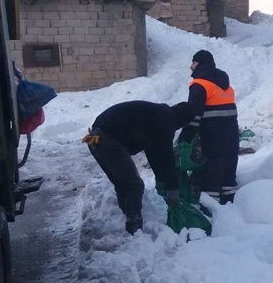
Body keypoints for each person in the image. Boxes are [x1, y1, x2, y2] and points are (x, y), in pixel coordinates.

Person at [83, 100, 195, 234]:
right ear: (183, 121)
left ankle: (125, 219)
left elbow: (154, 153)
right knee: (134, 185)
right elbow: (166, 157)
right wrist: (173, 186)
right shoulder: (166, 121)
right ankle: (134, 229)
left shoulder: (158, 116)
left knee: (122, 183)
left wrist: (162, 177)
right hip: (107, 141)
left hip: (94, 138)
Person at [179, 50, 239, 209]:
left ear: (199, 64)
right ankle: (232, 208)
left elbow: (194, 114)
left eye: (193, 62)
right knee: (228, 170)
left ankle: (210, 211)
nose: (190, 67)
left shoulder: (200, 84)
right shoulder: (225, 84)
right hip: (231, 133)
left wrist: (185, 138)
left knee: (212, 171)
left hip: (213, 134)